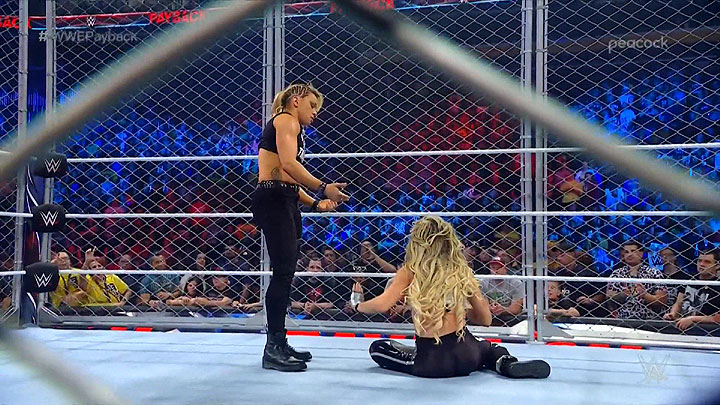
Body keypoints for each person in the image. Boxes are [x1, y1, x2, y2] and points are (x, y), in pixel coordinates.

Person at [351, 216, 550, 379]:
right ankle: (505, 363)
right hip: (466, 354)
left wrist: (357, 304)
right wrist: (460, 308)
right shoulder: (461, 271)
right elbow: (485, 319)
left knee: (379, 348)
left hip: (432, 362)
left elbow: (383, 304)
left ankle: (417, 354)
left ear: (417, 243)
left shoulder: (411, 271)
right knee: (489, 348)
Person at [250, 82, 349, 372]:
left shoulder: (293, 128)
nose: (315, 112)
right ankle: (273, 348)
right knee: (282, 273)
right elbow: (289, 166)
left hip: (285, 198)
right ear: (296, 100)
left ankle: (279, 342)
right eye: (312, 105)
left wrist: (315, 203)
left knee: (286, 273)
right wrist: (323, 187)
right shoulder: (285, 120)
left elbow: (287, 179)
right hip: (274, 199)